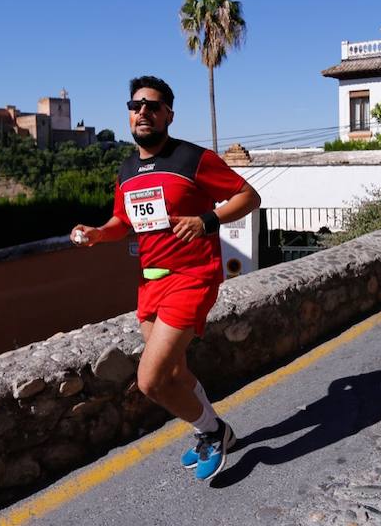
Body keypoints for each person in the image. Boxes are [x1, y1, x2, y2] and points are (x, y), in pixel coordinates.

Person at [70, 76, 261, 481]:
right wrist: (98, 233)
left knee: (151, 380)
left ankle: (212, 431)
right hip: (150, 283)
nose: (143, 111)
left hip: (192, 277)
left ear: (168, 114)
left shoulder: (193, 159)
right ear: (129, 113)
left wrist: (206, 220)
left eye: (153, 106)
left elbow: (249, 197)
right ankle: (213, 431)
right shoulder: (126, 169)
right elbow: (122, 220)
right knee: (174, 373)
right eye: (136, 105)